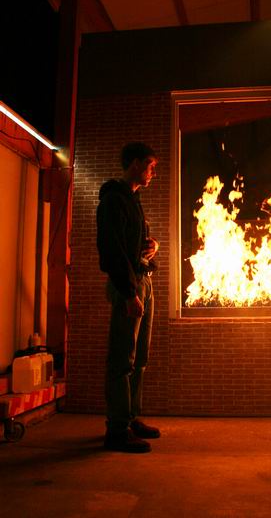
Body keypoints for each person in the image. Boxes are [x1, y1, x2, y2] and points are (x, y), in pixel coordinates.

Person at [96, 142, 160, 453]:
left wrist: (151, 249)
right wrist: (128, 292)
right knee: (122, 358)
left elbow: (130, 246)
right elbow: (111, 251)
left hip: (144, 281)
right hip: (130, 285)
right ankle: (116, 429)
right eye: (150, 166)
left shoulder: (134, 201)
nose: (153, 172)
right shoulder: (113, 199)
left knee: (140, 359)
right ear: (134, 164)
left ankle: (131, 418)